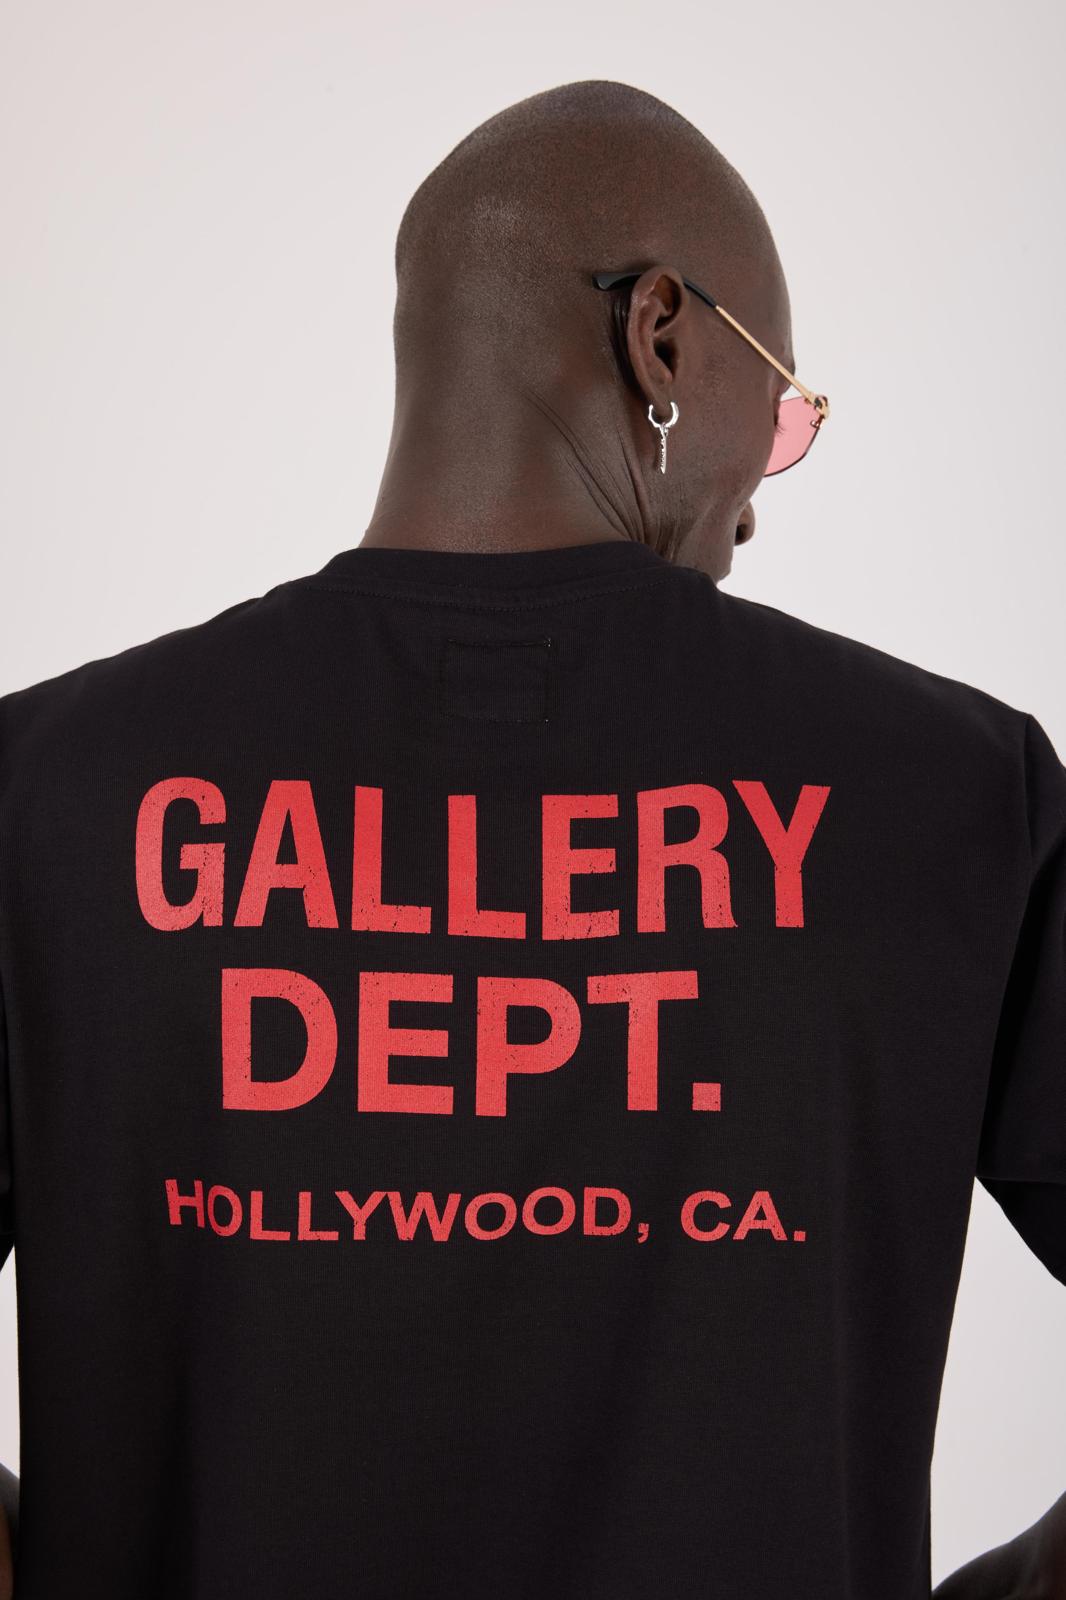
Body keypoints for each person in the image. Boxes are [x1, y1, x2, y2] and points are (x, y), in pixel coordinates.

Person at [0, 76, 1062, 1600]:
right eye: (781, 415)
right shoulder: (948, 793)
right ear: (661, 339)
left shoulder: (49, 791)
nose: (756, 505)